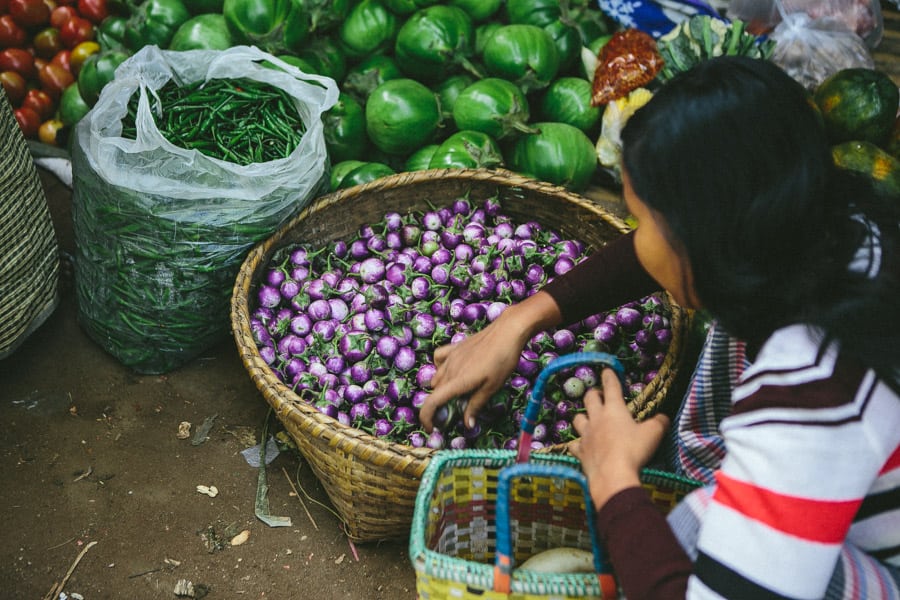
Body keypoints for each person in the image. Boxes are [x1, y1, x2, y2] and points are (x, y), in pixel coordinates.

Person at [419, 56, 900, 599]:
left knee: (684, 533)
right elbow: (668, 244)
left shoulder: (809, 396)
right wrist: (523, 317)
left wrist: (612, 477)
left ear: (704, 240)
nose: (636, 237)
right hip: (847, 499)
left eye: (643, 220)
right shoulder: (830, 226)